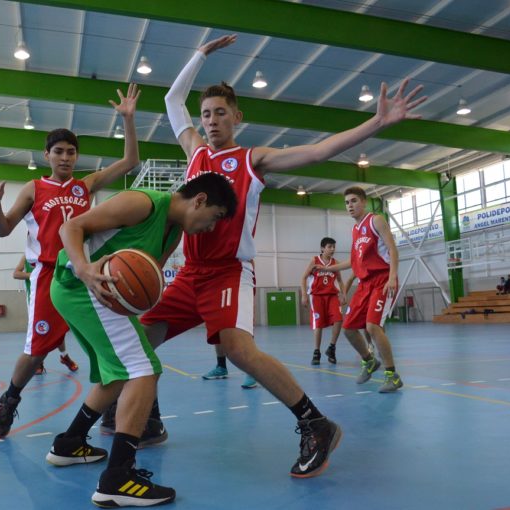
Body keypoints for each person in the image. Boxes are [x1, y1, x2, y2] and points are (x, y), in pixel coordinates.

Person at [137, 34, 425, 477]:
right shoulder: (194, 153)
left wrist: (375, 124)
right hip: (188, 272)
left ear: (237, 116)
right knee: (141, 339)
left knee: (238, 349)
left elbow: (317, 150)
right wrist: (198, 54)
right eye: (206, 114)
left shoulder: (253, 159)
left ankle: (316, 424)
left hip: (229, 273)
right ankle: (151, 419)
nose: (212, 121)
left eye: (220, 114)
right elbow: (172, 98)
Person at [46, 172, 237, 507]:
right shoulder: (143, 202)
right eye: (215, 218)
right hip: (84, 286)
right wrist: (84, 269)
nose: (211, 228)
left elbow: (147, 281)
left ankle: (69, 443)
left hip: (94, 293)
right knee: (144, 369)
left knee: (119, 373)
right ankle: (117, 478)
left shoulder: (173, 233)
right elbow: (70, 228)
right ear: (200, 199)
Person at [0, 83, 142, 439]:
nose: (66, 157)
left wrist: (128, 120)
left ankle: (111, 406)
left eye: (71, 152)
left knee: (103, 344)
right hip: (49, 278)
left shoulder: (86, 186)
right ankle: (8, 399)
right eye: (59, 151)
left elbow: (130, 161)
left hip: (87, 273)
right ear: (47, 155)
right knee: (36, 352)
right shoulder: (34, 189)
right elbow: (5, 229)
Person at [321, 187, 403, 392]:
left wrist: (392, 276)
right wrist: (328, 268)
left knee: (372, 327)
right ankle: (369, 360)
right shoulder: (355, 230)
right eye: (347, 202)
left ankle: (392, 375)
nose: (350, 205)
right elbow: (353, 261)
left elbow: (392, 248)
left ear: (364, 202)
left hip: (382, 279)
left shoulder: (376, 220)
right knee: (348, 328)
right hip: (364, 284)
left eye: (354, 201)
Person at [13, 255, 78, 374]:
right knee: (39, 330)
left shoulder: (53, 253)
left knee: (58, 328)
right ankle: (39, 362)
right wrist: (34, 275)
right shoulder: (27, 256)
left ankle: (64, 356)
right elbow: (16, 273)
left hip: (54, 295)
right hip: (36, 299)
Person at [301, 237, 345, 365]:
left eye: (333, 247)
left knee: (338, 319)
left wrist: (343, 294)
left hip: (332, 296)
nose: (332, 249)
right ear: (322, 248)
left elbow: (341, 281)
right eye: (329, 247)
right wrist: (304, 295)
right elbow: (303, 278)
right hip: (317, 296)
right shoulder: (314, 261)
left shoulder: (335, 263)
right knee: (318, 324)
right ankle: (316, 351)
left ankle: (332, 348)